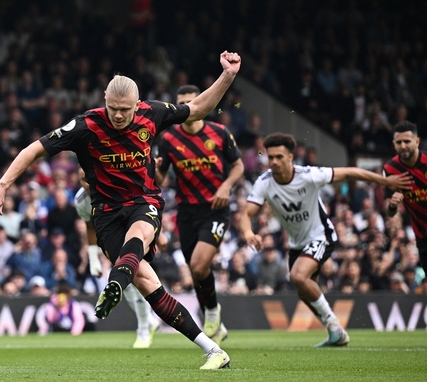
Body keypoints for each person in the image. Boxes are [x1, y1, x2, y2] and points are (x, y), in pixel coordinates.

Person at [0, 50, 241, 370]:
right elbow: (34, 149)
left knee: (140, 235)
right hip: (105, 213)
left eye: (125, 110)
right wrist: (3, 185)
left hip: (144, 202)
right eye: (113, 109)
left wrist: (227, 75)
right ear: (105, 100)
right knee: (148, 285)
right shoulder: (85, 125)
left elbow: (200, 107)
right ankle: (214, 350)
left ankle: (115, 283)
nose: (118, 115)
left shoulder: (153, 113)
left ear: (137, 104)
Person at [238, 132, 412, 347]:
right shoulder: (264, 182)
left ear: (291, 157)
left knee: (298, 276)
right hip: (297, 243)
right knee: (304, 291)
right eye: (270, 157)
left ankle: (334, 325)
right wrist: (248, 234)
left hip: (322, 236)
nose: (274, 161)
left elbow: (350, 172)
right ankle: (335, 333)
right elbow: (246, 214)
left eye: (279, 157)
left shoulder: (309, 175)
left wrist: (385, 180)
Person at [156, 84, 245, 344]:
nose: (188, 107)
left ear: (203, 103)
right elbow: (161, 179)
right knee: (197, 271)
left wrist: (226, 186)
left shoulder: (219, 133)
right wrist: (157, 169)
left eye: (192, 102)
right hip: (186, 213)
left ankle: (212, 312)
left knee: (197, 264)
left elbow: (238, 165)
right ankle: (214, 320)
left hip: (214, 210)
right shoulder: (169, 139)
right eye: (182, 103)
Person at [74, 168, 159, 349]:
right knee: (125, 283)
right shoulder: (81, 200)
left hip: (136, 232)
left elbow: (144, 203)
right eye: (82, 179)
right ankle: (147, 322)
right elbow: (89, 226)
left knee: (136, 278)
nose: (87, 183)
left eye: (88, 177)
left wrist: (161, 232)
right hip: (115, 239)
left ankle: (144, 328)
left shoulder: (115, 185)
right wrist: (94, 259)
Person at [383, 121, 427, 268]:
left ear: (417, 141)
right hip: (423, 236)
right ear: (393, 143)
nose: (403, 146)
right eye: (399, 142)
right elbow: (389, 213)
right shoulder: (390, 169)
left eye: (407, 141)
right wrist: (393, 205)